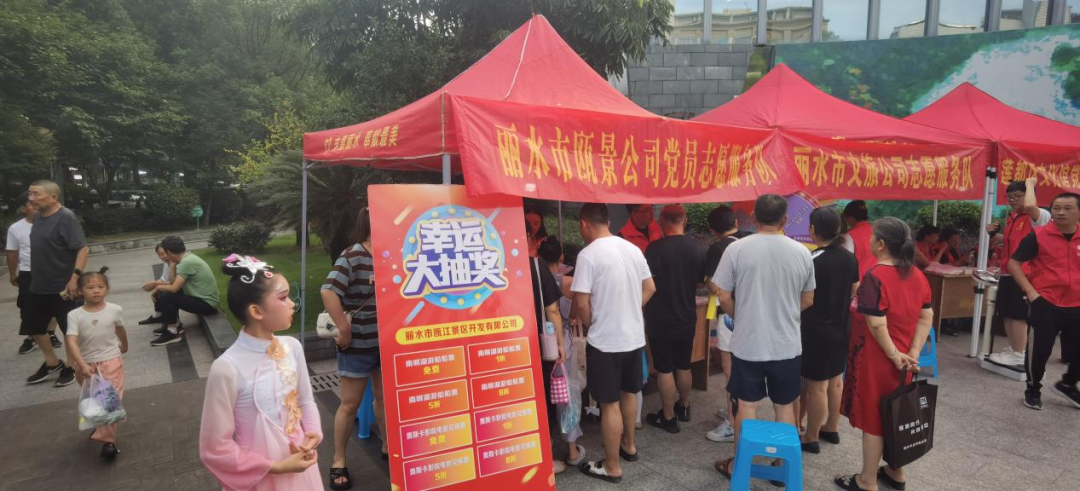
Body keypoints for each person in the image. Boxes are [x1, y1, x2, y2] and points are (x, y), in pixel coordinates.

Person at [713, 195, 815, 480]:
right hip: (787, 344)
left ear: (754, 217)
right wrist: (784, 312)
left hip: (748, 343)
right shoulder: (801, 252)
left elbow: (723, 295)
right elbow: (808, 299)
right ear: (784, 220)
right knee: (784, 405)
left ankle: (739, 466)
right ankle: (782, 469)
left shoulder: (736, 249)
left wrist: (743, 314)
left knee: (746, 405)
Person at [200, 255, 322, 490]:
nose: (292, 304)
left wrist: (313, 434)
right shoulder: (226, 368)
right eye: (283, 297)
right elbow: (215, 447)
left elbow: (305, 401)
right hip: (259, 476)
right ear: (256, 311)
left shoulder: (292, 347)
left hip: (301, 464)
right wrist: (276, 466)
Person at [836, 217, 933, 491]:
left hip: (878, 358)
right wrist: (912, 352)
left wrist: (893, 355)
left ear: (880, 244)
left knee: (874, 421)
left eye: (872, 237)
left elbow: (876, 323)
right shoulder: (917, 274)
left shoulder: (875, 276)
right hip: (905, 359)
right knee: (896, 413)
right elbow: (926, 316)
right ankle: (895, 472)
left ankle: (867, 480)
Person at [572, 203, 655, 484]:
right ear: (607, 221)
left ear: (584, 224)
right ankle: (629, 445)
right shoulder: (633, 249)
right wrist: (629, 307)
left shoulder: (588, 255)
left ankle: (611, 466)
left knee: (609, 404)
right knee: (629, 393)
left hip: (605, 341)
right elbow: (650, 287)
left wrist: (593, 322)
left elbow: (581, 303)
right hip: (633, 336)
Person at [320, 208, 387, 490]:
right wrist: (344, 330)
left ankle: (387, 445)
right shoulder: (352, 255)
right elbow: (328, 291)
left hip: (388, 344)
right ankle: (338, 460)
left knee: (384, 399)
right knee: (349, 404)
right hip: (357, 343)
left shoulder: (394, 254)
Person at [1007, 192, 1080, 410]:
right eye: (1056, 208)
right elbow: (1013, 264)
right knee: (1040, 349)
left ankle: (1068, 384)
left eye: (1067, 208)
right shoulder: (1038, 236)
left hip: (1077, 303)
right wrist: (1031, 292)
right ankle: (1033, 389)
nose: (1061, 212)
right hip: (1046, 301)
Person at [799, 208, 859, 454]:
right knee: (835, 381)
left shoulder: (813, 260)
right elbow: (855, 288)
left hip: (816, 331)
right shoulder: (849, 258)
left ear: (812, 229)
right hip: (841, 326)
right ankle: (831, 427)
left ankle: (811, 436)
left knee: (816, 386)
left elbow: (805, 297)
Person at [643, 205, 705, 433]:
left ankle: (668, 416)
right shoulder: (698, 248)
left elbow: (646, 283)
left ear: (661, 221)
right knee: (683, 364)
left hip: (660, 318)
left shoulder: (654, 249)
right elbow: (701, 282)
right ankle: (683, 406)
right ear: (685, 220)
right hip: (686, 315)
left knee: (665, 368)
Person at [527, 221, 581, 474]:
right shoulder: (538, 268)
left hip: (515, 344)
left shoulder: (498, 266)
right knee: (559, 396)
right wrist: (560, 343)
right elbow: (553, 310)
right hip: (546, 344)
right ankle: (560, 452)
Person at [23, 180, 87, 387]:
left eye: (36, 194)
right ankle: (52, 362)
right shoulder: (38, 217)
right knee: (33, 326)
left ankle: (70, 366)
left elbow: (82, 248)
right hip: (38, 285)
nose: (31, 198)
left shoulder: (66, 217)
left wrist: (75, 277)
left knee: (69, 329)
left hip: (63, 287)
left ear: (53, 198)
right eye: (30, 194)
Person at [65, 267, 128, 460]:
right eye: (90, 287)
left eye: (100, 286)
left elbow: (120, 329)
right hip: (86, 366)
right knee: (97, 400)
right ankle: (101, 428)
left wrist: (124, 345)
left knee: (110, 400)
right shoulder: (75, 315)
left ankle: (108, 442)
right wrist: (82, 364)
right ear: (80, 291)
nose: (96, 290)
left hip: (111, 361)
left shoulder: (115, 309)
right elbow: (71, 341)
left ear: (107, 289)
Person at [987, 178, 1051, 367]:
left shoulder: (1039, 216)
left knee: (1018, 315)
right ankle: (1014, 348)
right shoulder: (1013, 216)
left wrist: (1030, 184)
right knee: (1007, 313)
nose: (1012, 200)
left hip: (1025, 273)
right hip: (1007, 271)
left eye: (1017, 196)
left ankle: (1019, 354)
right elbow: (1010, 241)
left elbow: (1030, 206)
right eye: (1009, 196)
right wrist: (994, 234)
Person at [617, 203, 662, 428]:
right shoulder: (622, 238)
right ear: (633, 213)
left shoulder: (657, 229)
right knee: (638, 347)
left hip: (656, 298)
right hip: (637, 299)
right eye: (646, 210)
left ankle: (650, 373)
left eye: (652, 209)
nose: (651, 213)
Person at [7, 191, 62, 355]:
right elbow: (12, 252)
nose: (36, 206)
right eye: (31, 204)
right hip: (28, 273)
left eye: (38, 202)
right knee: (27, 307)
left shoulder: (56, 223)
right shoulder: (16, 228)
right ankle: (32, 336)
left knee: (54, 304)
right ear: (24, 208)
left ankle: (50, 333)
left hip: (53, 272)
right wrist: (12, 274)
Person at [703, 205, 740, 444]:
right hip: (748, 312)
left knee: (730, 370)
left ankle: (732, 422)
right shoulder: (748, 241)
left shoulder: (718, 249)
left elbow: (715, 286)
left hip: (729, 314)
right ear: (736, 222)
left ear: (712, 230)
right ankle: (734, 411)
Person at [149, 236, 220, 346]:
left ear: (169, 252)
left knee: (167, 296)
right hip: (204, 300)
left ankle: (172, 333)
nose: (165, 256)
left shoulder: (186, 263)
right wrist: (172, 266)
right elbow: (173, 283)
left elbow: (174, 288)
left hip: (208, 305)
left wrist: (157, 287)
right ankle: (175, 326)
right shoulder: (187, 258)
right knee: (166, 293)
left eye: (165, 253)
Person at [137, 243, 177, 328]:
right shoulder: (167, 264)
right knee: (159, 290)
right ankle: (157, 315)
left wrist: (156, 285)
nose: (165, 256)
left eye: (166, 252)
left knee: (165, 293)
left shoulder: (177, 263)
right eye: (161, 254)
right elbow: (163, 279)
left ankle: (173, 325)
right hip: (179, 289)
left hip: (186, 292)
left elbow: (176, 284)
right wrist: (154, 286)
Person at [842, 201, 876, 279]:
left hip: (859, 281)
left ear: (850, 218)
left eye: (846, 219)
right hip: (876, 280)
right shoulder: (877, 231)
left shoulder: (849, 236)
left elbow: (846, 263)